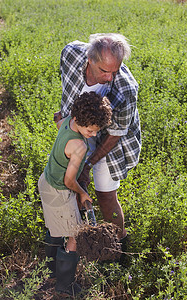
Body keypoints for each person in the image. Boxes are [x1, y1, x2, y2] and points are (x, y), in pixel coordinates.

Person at [54, 33, 141, 246]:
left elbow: (115, 134)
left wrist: (89, 163)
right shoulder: (71, 54)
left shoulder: (126, 88)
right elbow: (66, 82)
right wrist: (66, 121)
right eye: (104, 71)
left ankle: (118, 246)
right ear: (90, 59)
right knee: (71, 188)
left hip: (109, 143)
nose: (110, 77)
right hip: (77, 132)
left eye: (116, 70)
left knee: (106, 195)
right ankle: (76, 241)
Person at [38, 92, 112, 295]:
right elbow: (69, 181)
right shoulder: (78, 146)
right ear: (79, 120)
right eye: (90, 130)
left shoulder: (68, 121)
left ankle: (50, 270)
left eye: (97, 131)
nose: (94, 135)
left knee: (56, 227)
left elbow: (58, 121)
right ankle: (64, 287)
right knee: (76, 235)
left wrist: (58, 119)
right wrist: (82, 194)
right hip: (59, 191)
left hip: (46, 181)